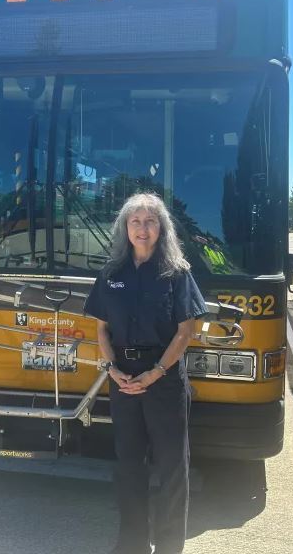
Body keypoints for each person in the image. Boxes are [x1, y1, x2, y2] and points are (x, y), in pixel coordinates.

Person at [84, 193, 207, 554]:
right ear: (125, 228)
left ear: (161, 228)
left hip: (163, 379)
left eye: (150, 221)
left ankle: (169, 546)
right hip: (123, 380)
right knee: (129, 466)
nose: (142, 228)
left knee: (172, 468)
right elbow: (101, 331)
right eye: (135, 221)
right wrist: (113, 370)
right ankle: (132, 543)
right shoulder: (111, 274)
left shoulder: (177, 273)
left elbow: (187, 332)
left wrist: (155, 373)